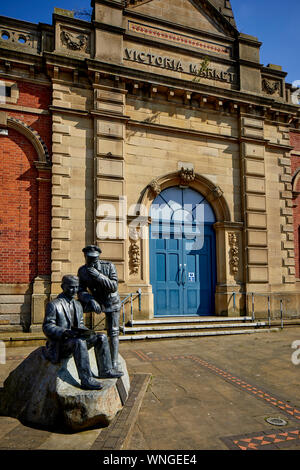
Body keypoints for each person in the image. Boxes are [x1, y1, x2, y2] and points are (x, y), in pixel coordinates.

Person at [42, 275, 123, 391]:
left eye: (76, 287)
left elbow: (80, 325)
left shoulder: (77, 305)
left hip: (75, 339)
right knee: (79, 342)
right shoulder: (54, 305)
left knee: (101, 337)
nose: (74, 290)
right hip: (62, 344)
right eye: (70, 287)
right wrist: (64, 332)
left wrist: (86, 332)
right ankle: (86, 379)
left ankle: (105, 370)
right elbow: (47, 326)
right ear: (62, 287)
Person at [77, 245, 122, 373]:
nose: (92, 261)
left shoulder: (109, 266)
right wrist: (90, 299)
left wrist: (98, 275)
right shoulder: (82, 271)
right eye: (90, 259)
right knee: (76, 307)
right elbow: (80, 291)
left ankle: (113, 362)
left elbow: (113, 286)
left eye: (95, 259)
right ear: (85, 257)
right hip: (94, 301)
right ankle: (78, 344)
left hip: (111, 302)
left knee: (113, 331)